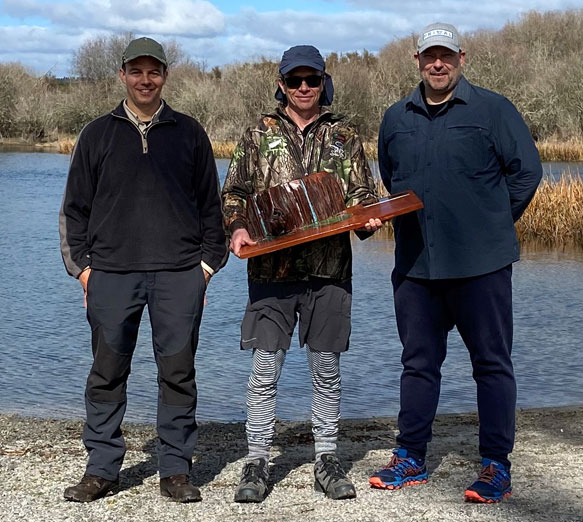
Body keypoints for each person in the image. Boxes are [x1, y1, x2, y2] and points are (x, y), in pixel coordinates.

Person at [369, 23, 542, 503]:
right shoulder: (395, 118)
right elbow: (390, 176)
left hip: (481, 266)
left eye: (446, 55)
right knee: (418, 365)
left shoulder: (492, 109)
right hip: (416, 268)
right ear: (418, 60)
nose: (437, 64)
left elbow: (526, 172)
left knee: (491, 365)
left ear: (461, 58)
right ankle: (410, 457)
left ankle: (495, 465)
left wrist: (490, 223)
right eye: (429, 56)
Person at [59, 37, 227, 503]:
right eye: (137, 71)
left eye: (153, 71)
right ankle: (102, 468)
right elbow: (74, 211)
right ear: (122, 75)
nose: (145, 79)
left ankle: (175, 470)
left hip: (178, 275)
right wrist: (84, 271)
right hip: (111, 274)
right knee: (107, 372)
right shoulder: (97, 134)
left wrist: (206, 269)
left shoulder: (189, 133)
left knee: (177, 372)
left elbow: (212, 211)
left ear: (165, 76)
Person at [222, 44, 382, 503]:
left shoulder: (345, 136)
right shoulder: (257, 135)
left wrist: (367, 218)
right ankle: (256, 460)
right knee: (264, 371)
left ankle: (326, 459)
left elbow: (363, 196)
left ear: (323, 82)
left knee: (327, 370)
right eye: (295, 81)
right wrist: (237, 229)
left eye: (312, 80)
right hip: (272, 273)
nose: (305, 88)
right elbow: (233, 193)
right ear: (281, 85)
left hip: (330, 272)